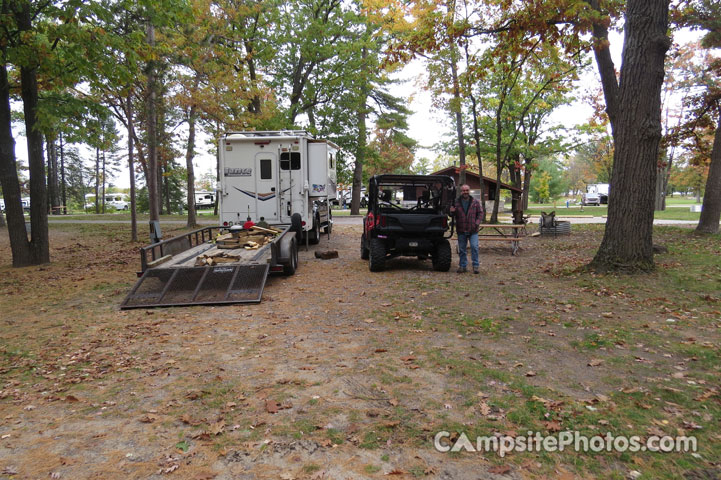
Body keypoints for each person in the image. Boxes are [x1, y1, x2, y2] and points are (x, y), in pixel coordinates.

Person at [450, 184, 483, 274]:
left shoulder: (475, 202)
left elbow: (480, 214)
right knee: (462, 249)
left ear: (469, 191)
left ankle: (475, 266)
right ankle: (463, 266)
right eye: (463, 190)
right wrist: (451, 212)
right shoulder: (456, 202)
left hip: (473, 230)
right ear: (461, 192)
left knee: (474, 247)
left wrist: (476, 223)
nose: (465, 192)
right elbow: (452, 215)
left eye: (467, 190)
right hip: (461, 230)